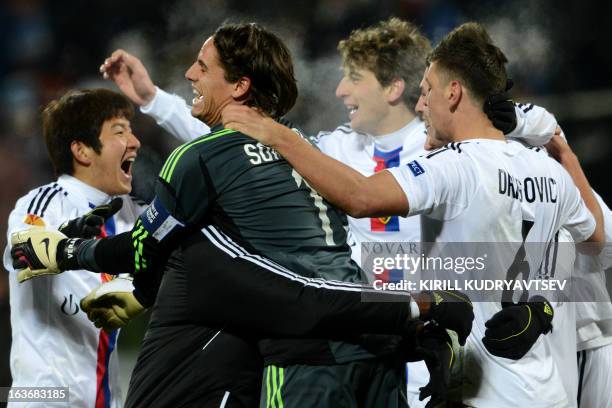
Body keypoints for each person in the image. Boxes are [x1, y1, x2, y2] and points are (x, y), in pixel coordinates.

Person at [10, 22, 474, 407]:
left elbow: (167, 223)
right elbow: (232, 156)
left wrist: (69, 250)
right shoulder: (318, 155)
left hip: (312, 351)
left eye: (203, 66)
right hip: (381, 344)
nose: (339, 87)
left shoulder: (437, 159)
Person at [221, 22, 605, 407]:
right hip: (548, 391)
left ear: (453, 93)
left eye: (427, 92)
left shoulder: (456, 166)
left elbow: (360, 196)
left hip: (486, 393)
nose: (421, 105)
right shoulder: (548, 170)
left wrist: (278, 135)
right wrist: (566, 155)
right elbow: (594, 237)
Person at [2, 88, 142, 407]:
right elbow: (22, 252)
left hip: (106, 399)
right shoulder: (44, 202)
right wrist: (68, 240)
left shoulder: (131, 213)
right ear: (81, 150)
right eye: (120, 132)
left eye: (132, 131)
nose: (135, 142)